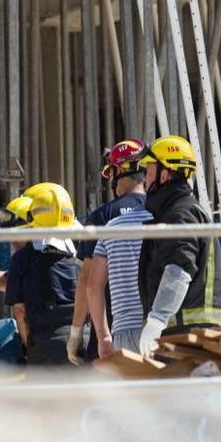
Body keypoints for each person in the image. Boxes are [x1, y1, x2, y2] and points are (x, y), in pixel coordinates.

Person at [136, 136, 221, 357]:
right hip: (194, 334)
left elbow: (179, 269)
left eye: (148, 173)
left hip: (185, 338)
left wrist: (157, 319)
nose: (145, 182)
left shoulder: (180, 214)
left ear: (165, 174)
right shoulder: (187, 210)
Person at [67, 141, 148, 365]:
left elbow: (88, 281)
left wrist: (76, 332)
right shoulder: (160, 211)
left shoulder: (104, 218)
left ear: (119, 171)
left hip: (113, 329)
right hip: (157, 324)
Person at [5, 185, 80, 365]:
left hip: (45, 344)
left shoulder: (22, 259)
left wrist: (29, 347)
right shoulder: (80, 254)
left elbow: (20, 311)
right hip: (82, 338)